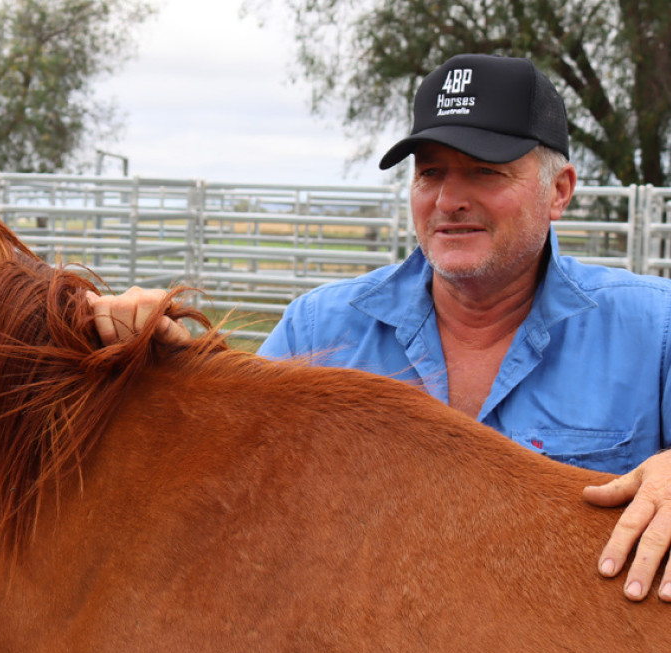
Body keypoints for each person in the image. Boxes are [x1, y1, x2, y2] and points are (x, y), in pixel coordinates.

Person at [86, 53, 671, 603]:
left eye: (485, 172)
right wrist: (163, 365)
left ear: (559, 191)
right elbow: (228, 472)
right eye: (431, 172)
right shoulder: (319, 327)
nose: (448, 199)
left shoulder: (656, 327)